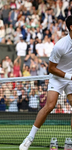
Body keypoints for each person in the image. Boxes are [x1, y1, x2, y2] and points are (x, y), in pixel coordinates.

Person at [19, 15, 72, 150]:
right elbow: (51, 68)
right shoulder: (60, 46)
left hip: (71, 77)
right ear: (71, 27)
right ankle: (29, 138)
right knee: (50, 106)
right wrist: (69, 76)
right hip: (58, 76)